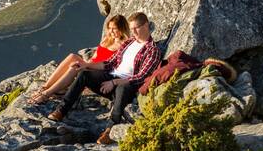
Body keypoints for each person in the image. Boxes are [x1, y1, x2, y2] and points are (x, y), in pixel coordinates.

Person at [47, 12, 162, 144]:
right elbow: (109, 63)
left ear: (146, 25)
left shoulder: (152, 50)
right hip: (111, 76)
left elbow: (141, 77)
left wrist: (113, 82)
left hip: (126, 84)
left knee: (123, 89)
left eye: (137, 28)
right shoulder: (129, 43)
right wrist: (86, 65)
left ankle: (109, 130)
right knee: (84, 74)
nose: (134, 32)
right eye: (132, 29)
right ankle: (61, 110)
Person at [27, 14, 131, 105]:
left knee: (74, 67)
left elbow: (112, 66)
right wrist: (86, 64)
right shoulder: (107, 40)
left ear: (122, 29)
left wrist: (86, 67)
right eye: (109, 28)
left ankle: (46, 94)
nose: (111, 31)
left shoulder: (123, 46)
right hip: (91, 66)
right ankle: (45, 87)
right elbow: (95, 57)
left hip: (99, 73)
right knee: (73, 57)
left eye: (114, 28)